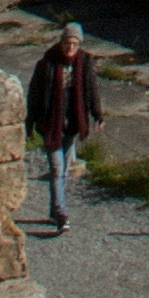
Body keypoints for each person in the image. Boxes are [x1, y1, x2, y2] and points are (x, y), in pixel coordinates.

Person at [25, 22, 102, 231]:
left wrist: (97, 115)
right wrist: (30, 122)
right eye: (67, 43)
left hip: (71, 126)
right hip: (51, 126)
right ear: (61, 42)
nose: (70, 48)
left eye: (74, 44)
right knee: (58, 169)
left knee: (64, 170)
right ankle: (61, 213)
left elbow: (91, 90)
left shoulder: (84, 63)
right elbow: (34, 95)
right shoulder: (47, 65)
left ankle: (54, 210)